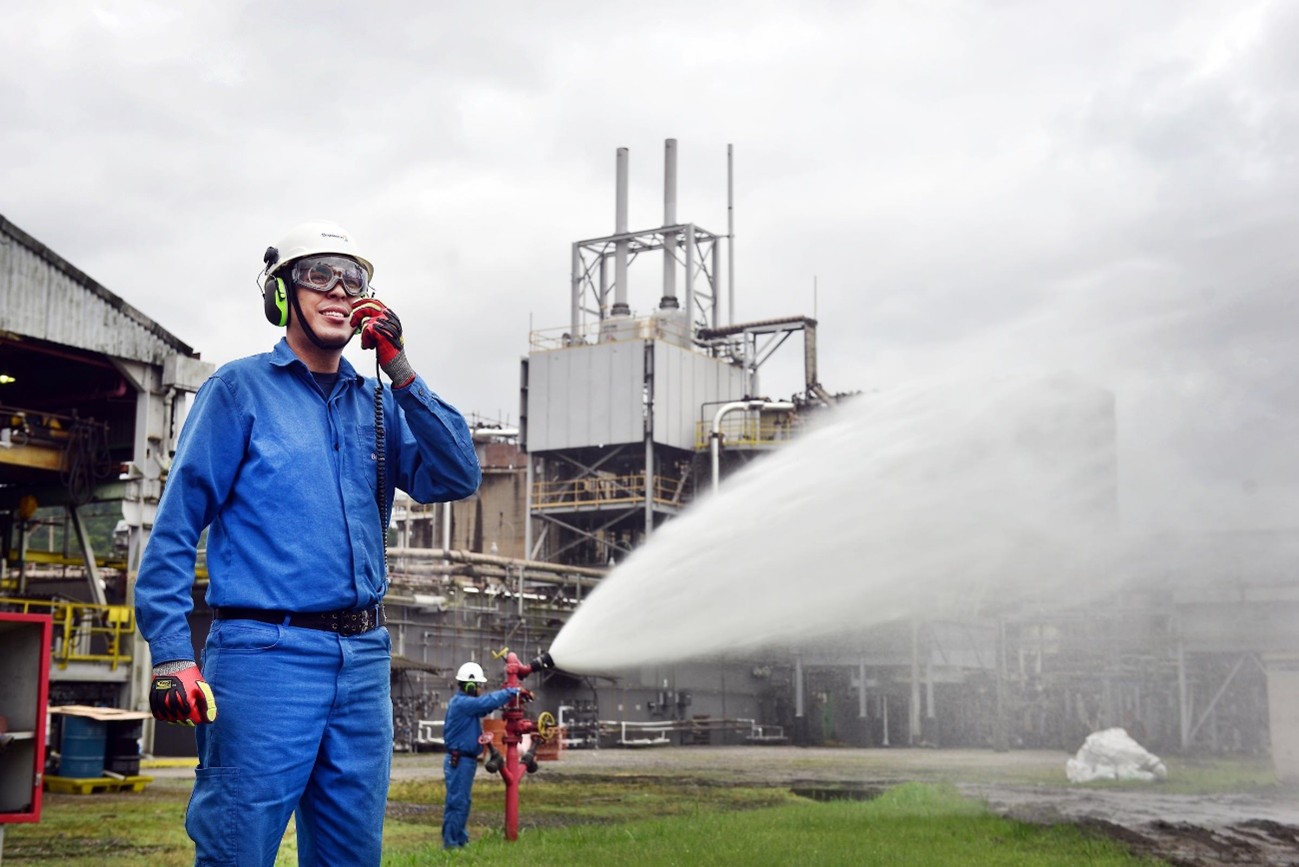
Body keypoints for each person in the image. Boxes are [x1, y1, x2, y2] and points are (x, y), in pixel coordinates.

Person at [134, 219, 481, 866]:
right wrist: (172, 655)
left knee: (351, 856)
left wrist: (399, 369)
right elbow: (177, 529)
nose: (338, 290)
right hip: (264, 658)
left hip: (362, 664)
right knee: (237, 849)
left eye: (353, 279)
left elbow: (459, 474)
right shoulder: (237, 393)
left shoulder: (374, 404)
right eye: (317, 275)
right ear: (280, 296)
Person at [440, 662, 527, 849]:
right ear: (470, 686)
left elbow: (485, 707)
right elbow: (485, 703)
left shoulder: (466, 705)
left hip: (465, 761)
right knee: (457, 802)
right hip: (459, 760)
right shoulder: (462, 703)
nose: (480, 689)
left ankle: (460, 840)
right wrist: (511, 691)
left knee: (463, 801)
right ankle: (451, 844)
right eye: (479, 685)